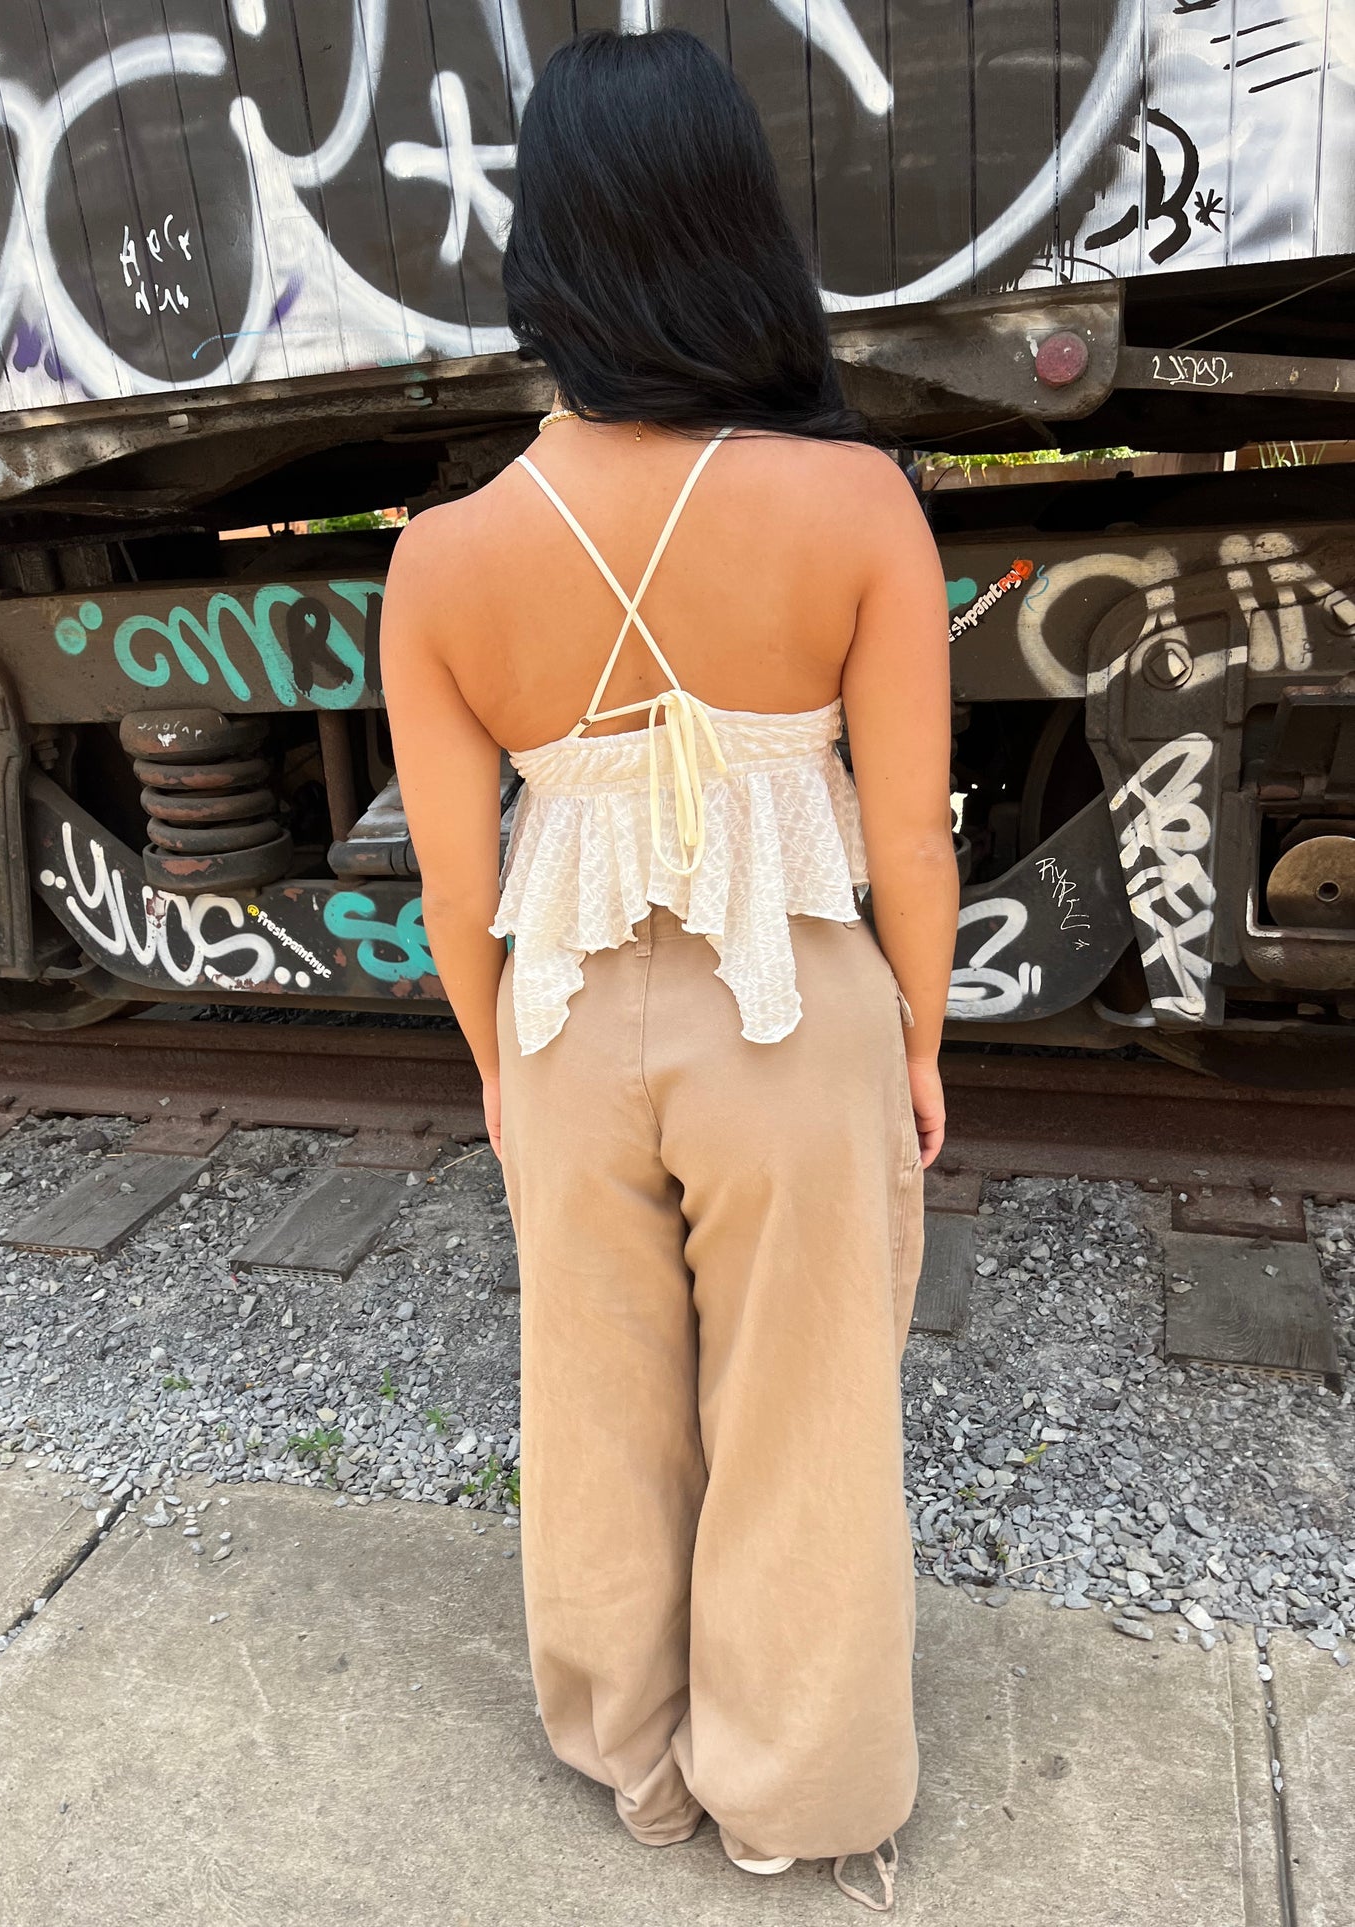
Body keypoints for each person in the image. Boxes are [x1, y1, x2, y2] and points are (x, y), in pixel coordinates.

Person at [380, 26, 956, 1913]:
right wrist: (917, 1045)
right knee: (803, 1413)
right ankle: (789, 1790)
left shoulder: (441, 558)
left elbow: (457, 889)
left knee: (594, 1398)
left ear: (544, 247)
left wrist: (497, 1068)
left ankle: (632, 1760)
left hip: (561, 1023)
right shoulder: (854, 506)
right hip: (790, 1013)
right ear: (737, 230)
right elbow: (909, 842)